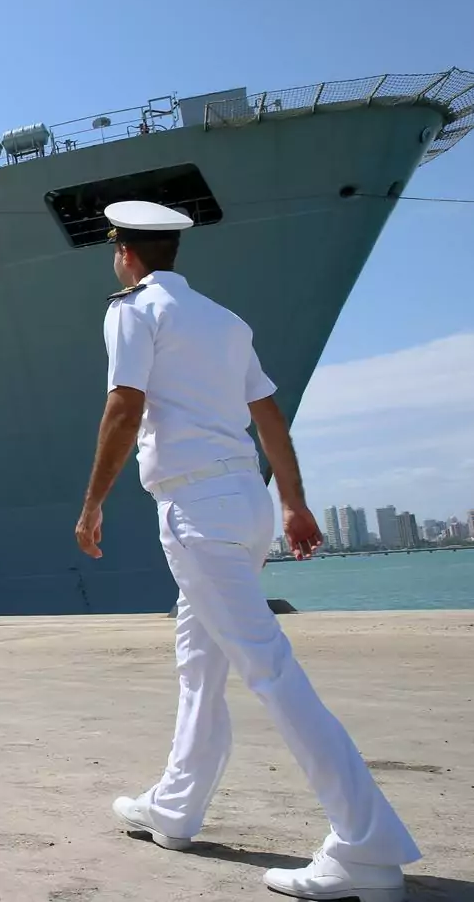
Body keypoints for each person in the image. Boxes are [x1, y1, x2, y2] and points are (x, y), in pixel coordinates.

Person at [73, 200, 420, 902]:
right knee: (199, 663)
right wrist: (292, 503)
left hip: (195, 509)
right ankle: (175, 807)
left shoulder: (133, 311)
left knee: (269, 669)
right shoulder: (225, 321)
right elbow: (268, 417)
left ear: (125, 253)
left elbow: (124, 406)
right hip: (246, 504)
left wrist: (92, 503)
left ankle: (365, 846)